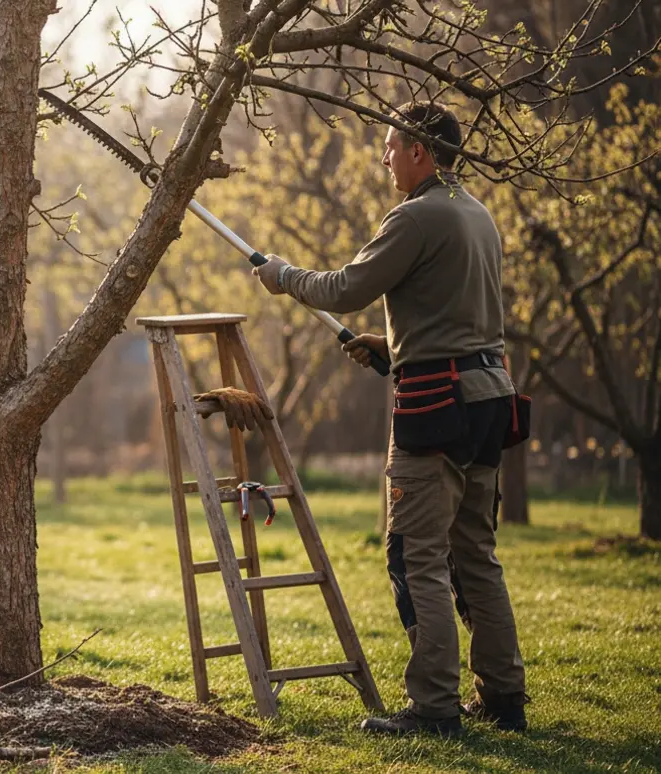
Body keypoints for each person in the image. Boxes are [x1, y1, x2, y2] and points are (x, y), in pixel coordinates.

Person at [252, 102, 528, 737]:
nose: (383, 158)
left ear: (419, 152)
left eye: (390, 147)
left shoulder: (415, 216)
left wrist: (283, 276)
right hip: (490, 395)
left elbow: (345, 289)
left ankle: (433, 707)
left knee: (416, 556)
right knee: (476, 554)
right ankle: (504, 697)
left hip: (439, 405)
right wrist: (394, 347)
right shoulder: (475, 213)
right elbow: (457, 318)